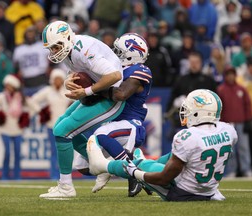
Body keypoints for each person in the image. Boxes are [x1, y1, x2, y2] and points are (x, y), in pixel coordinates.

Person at [87, 89, 238, 201]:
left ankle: (103, 166)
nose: (185, 113)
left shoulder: (188, 137)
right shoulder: (228, 130)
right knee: (175, 157)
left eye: (189, 110)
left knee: (138, 165)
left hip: (182, 193)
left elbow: (163, 179)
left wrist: (135, 173)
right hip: (209, 190)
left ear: (199, 113)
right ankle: (141, 160)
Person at [39, 20, 125, 198]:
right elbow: (80, 72)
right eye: (51, 48)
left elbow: (115, 75)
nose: (54, 52)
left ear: (68, 37)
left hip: (111, 96)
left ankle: (66, 187)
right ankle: (101, 166)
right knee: (61, 125)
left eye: (56, 46)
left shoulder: (83, 49)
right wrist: (67, 80)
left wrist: (86, 91)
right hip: (98, 92)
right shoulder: (71, 49)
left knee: (62, 131)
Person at [74, 33, 152, 197]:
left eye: (118, 50)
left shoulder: (140, 70)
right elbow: (92, 99)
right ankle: (133, 162)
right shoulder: (113, 69)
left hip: (131, 125)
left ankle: (133, 174)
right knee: (82, 165)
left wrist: (94, 88)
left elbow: (120, 94)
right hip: (113, 125)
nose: (114, 53)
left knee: (100, 134)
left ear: (131, 53)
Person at [0, 74, 38, 180]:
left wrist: (26, 117)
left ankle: (17, 176)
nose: (7, 87)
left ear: (14, 86)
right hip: (4, 129)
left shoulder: (21, 97)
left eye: (9, 85)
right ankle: (4, 175)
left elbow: (35, 107)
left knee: (18, 153)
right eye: (6, 85)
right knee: (8, 152)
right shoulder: (1, 97)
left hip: (18, 129)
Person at [31, 69, 73, 179]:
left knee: (64, 150)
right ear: (52, 80)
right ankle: (54, 174)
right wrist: (40, 111)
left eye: (59, 79)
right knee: (54, 151)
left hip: (64, 126)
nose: (57, 81)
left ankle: (65, 173)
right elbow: (33, 100)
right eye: (55, 79)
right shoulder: (47, 91)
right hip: (51, 126)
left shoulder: (66, 91)